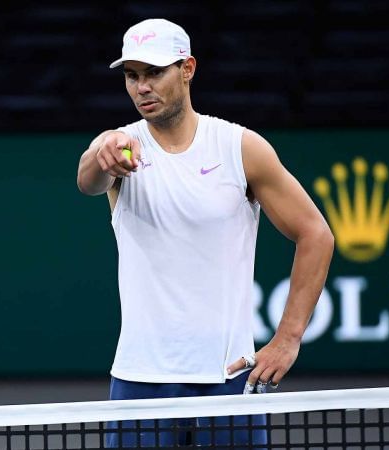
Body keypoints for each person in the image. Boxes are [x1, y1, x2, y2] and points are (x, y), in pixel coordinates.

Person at [76, 18, 334, 447]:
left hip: (228, 380)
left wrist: (288, 339)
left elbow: (316, 234)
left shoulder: (240, 148)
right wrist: (102, 148)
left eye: (154, 73)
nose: (142, 87)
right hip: (140, 383)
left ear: (187, 69)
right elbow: (88, 179)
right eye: (132, 75)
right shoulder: (119, 147)